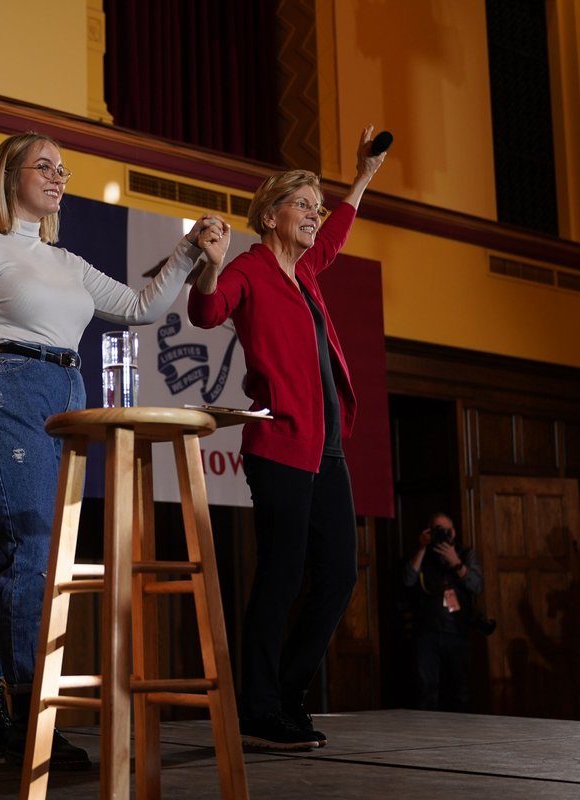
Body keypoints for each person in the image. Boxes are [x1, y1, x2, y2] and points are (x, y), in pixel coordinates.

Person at [0, 131, 228, 770]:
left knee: (32, 555)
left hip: (64, 398)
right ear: (8, 176)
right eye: (43, 165)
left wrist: (186, 250)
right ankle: (25, 720)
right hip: (6, 391)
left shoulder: (64, 261)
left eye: (63, 169)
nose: (58, 176)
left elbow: (140, 307)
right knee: (35, 555)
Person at [186, 125, 387, 750]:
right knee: (280, 574)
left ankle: (289, 694)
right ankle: (260, 709)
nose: (314, 213)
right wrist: (209, 269)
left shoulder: (307, 272)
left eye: (315, 205)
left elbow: (334, 235)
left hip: (327, 448)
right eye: (302, 203)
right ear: (270, 215)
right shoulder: (248, 269)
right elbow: (208, 313)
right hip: (279, 445)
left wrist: (361, 178)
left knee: (338, 576)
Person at [402, 512, 484, 712]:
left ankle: (462, 732)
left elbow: (477, 585)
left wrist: (455, 562)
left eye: (445, 531)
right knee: (426, 689)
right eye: (436, 531)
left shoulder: (464, 554)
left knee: (460, 688)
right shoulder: (423, 556)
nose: (441, 535)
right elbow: (407, 581)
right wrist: (422, 548)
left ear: (453, 533)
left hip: (457, 630)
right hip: (426, 631)